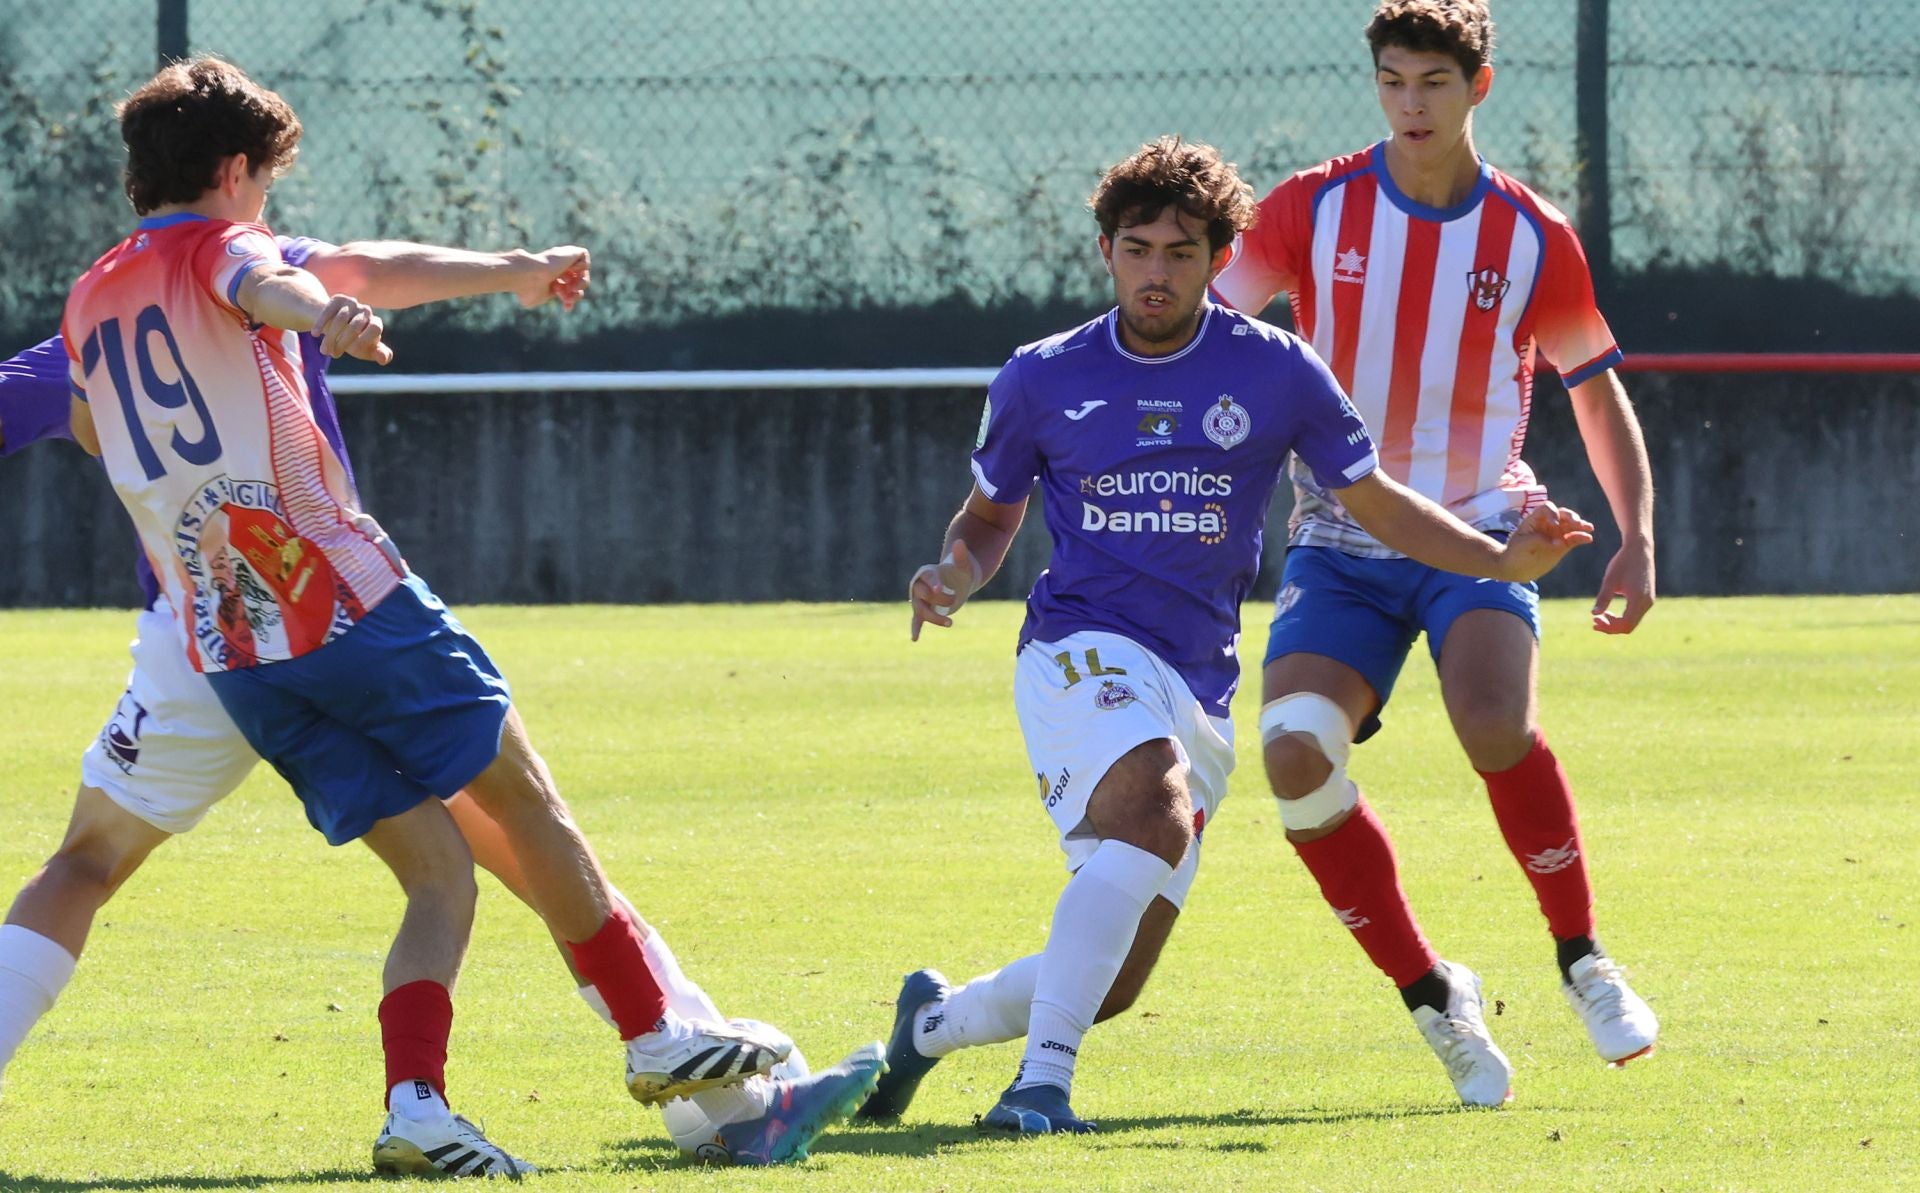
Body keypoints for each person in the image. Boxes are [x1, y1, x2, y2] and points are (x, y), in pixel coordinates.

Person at [54, 56, 789, 1175]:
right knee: (525, 795)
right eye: (266, 181)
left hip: (235, 647)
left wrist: (507, 270)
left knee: (440, 874)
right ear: (235, 168)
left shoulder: (92, 295)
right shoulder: (228, 245)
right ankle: (655, 1031)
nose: (268, 205)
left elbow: (114, 427)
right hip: (345, 600)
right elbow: (277, 281)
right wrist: (325, 313)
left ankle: (418, 1110)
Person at [859, 135, 1593, 1134]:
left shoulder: (1278, 371)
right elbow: (988, 517)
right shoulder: (1040, 376)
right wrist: (954, 571)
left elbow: (1374, 500)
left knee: (1111, 977)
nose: (1156, 272)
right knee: (1155, 809)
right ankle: (1039, 1086)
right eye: (1137, 249)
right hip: (1078, 651)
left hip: (1195, 681)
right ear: (1107, 251)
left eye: (1180, 251)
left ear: (1218, 257)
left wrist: (1498, 560)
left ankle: (932, 1025)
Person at [1209, 0, 1659, 1107]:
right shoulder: (1308, 210)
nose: (1411, 104)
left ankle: (1582, 958)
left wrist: (1639, 538)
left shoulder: (1531, 234)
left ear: (1480, 88)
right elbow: (1201, 335)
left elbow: (1597, 398)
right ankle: (1430, 993)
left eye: (1434, 84)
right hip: (1339, 540)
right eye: (1393, 81)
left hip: (1478, 535)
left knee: (1496, 724)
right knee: (1294, 753)